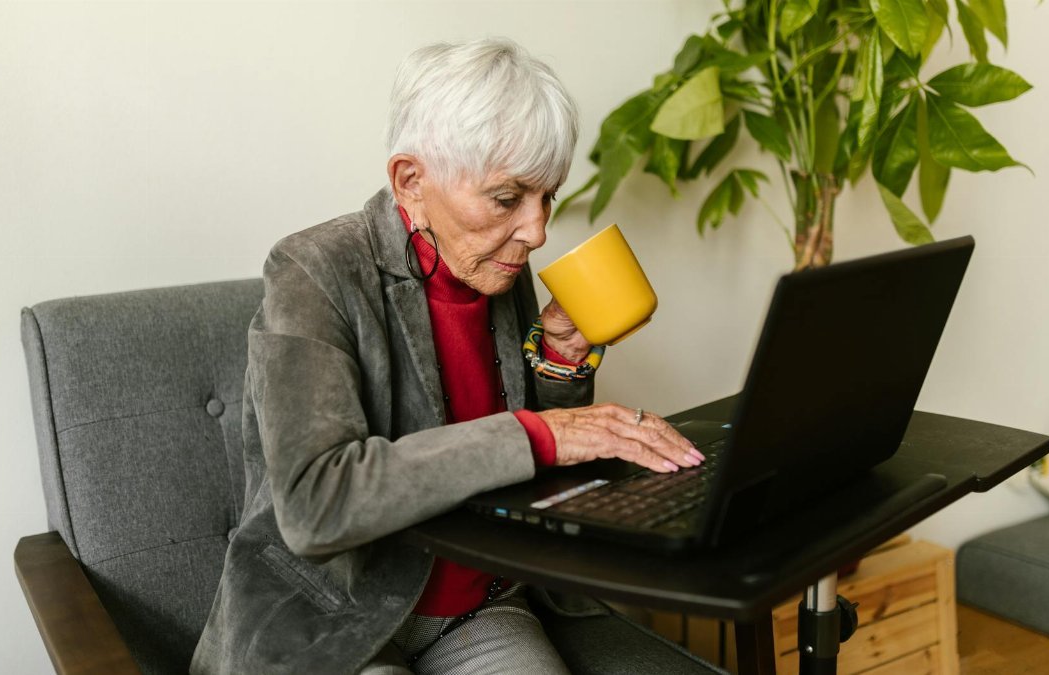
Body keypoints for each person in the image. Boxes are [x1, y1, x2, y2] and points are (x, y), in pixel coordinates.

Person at [191, 38, 702, 675]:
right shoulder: (313, 270)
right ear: (411, 180)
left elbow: (519, 458)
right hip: (339, 623)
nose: (537, 230)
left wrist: (561, 360)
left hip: (480, 607)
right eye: (507, 198)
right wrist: (537, 433)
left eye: (548, 196)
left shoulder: (492, 263)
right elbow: (316, 504)